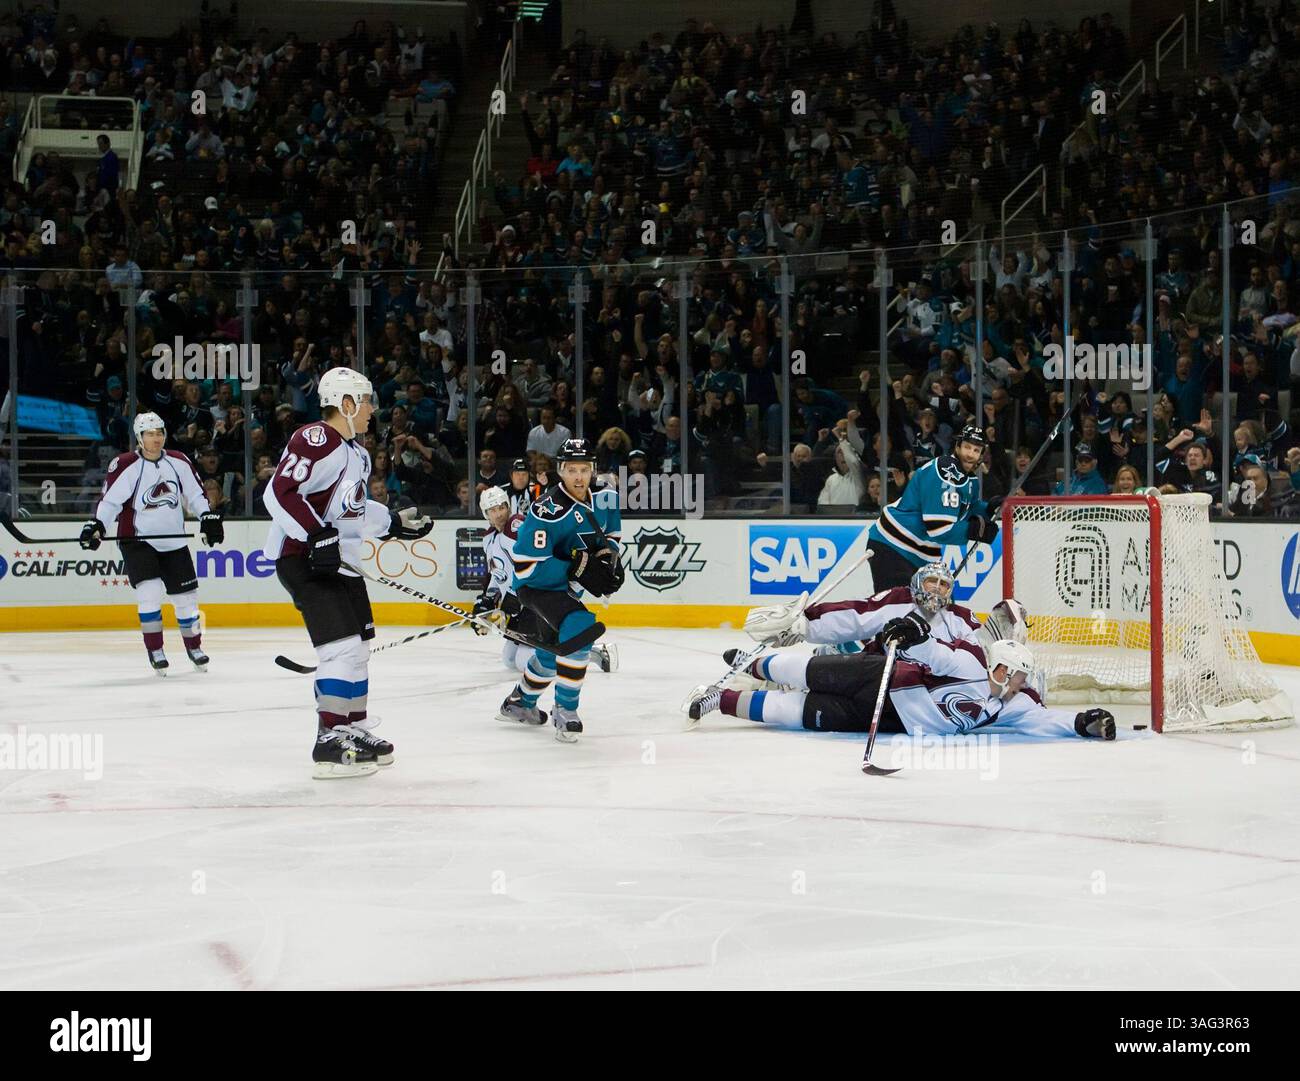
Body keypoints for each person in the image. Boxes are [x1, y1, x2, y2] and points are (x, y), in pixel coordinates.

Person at [264, 366, 432, 779]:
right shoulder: (315, 438)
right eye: (367, 401)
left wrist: (391, 522)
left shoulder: (355, 452)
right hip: (305, 558)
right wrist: (316, 534)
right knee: (339, 648)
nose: (373, 409)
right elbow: (279, 493)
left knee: (357, 648)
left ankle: (352, 726)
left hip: (342, 562)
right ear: (346, 403)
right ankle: (329, 736)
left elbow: (351, 510)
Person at [688, 618, 1116, 741]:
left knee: (792, 714)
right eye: (1018, 675)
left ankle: (719, 699)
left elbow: (1048, 721)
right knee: (801, 671)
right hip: (880, 677)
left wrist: (1084, 723)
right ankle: (752, 663)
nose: (1023, 683)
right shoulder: (969, 665)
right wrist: (912, 634)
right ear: (1000, 669)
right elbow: (933, 651)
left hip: (889, 719)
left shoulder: (1016, 705)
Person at [496, 437, 622, 741]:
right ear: (561, 471)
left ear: (593, 470)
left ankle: (519, 703)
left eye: (584, 469)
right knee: (579, 626)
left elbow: (612, 536)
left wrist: (607, 561)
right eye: (571, 470)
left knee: (554, 653)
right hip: (537, 587)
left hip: (568, 588)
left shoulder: (606, 498)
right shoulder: (545, 510)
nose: (579, 477)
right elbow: (525, 564)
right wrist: (576, 568)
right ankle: (566, 711)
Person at [80, 412, 223, 674]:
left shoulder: (179, 462)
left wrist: (207, 516)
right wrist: (98, 525)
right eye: (150, 434)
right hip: (137, 540)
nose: (155, 439)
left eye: (159, 433)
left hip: (173, 540)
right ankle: (155, 649)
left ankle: (194, 647)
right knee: (150, 593)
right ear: (139, 438)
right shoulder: (125, 465)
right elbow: (110, 502)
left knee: (186, 599)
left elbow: (195, 493)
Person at [862, 424, 999, 591]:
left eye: (976, 450)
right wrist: (973, 530)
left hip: (921, 554)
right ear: (957, 446)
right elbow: (938, 528)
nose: (970, 454)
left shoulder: (970, 480)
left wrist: (989, 509)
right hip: (893, 544)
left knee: (938, 608)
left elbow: (967, 508)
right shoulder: (944, 471)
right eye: (967, 447)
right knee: (898, 608)